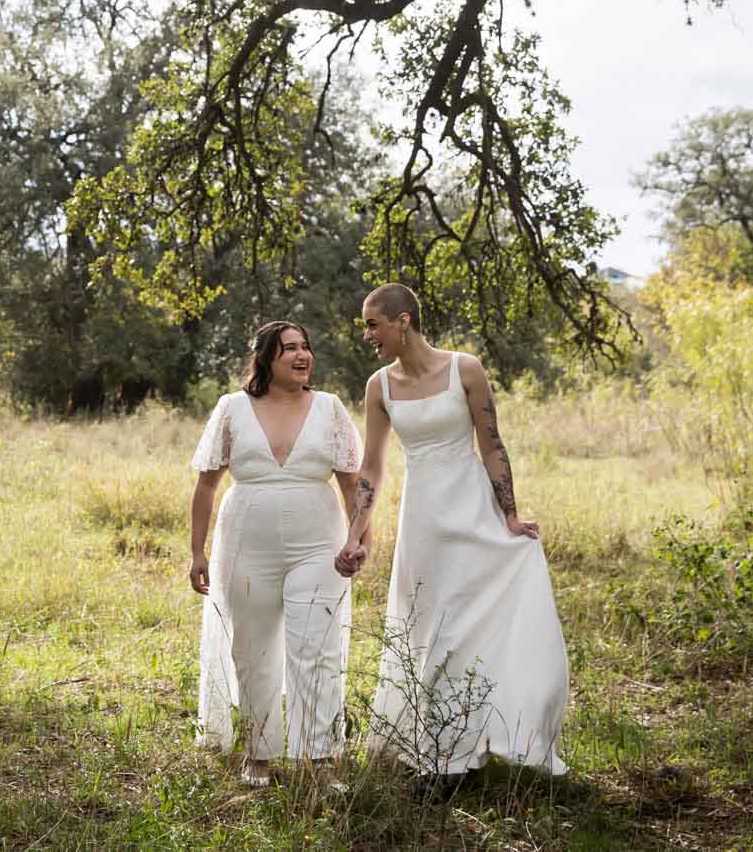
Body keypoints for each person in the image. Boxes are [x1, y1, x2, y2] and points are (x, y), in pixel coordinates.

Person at [334, 283, 568, 776]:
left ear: (403, 321)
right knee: (432, 628)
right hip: (424, 523)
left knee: (474, 624)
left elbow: (491, 444)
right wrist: (356, 533)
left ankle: (476, 743)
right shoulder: (380, 385)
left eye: (373, 324)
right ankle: (442, 753)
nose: (367, 335)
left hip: (473, 511)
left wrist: (509, 515)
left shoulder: (465, 368)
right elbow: (372, 468)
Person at [188, 320, 365, 786]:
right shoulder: (232, 408)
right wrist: (197, 552)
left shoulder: (330, 408)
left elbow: (353, 483)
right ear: (266, 358)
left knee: (317, 647)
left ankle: (321, 759)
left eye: (306, 346)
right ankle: (257, 754)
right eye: (289, 348)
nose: (301, 355)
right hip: (247, 541)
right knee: (253, 647)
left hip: (318, 544)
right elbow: (206, 483)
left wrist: (358, 538)